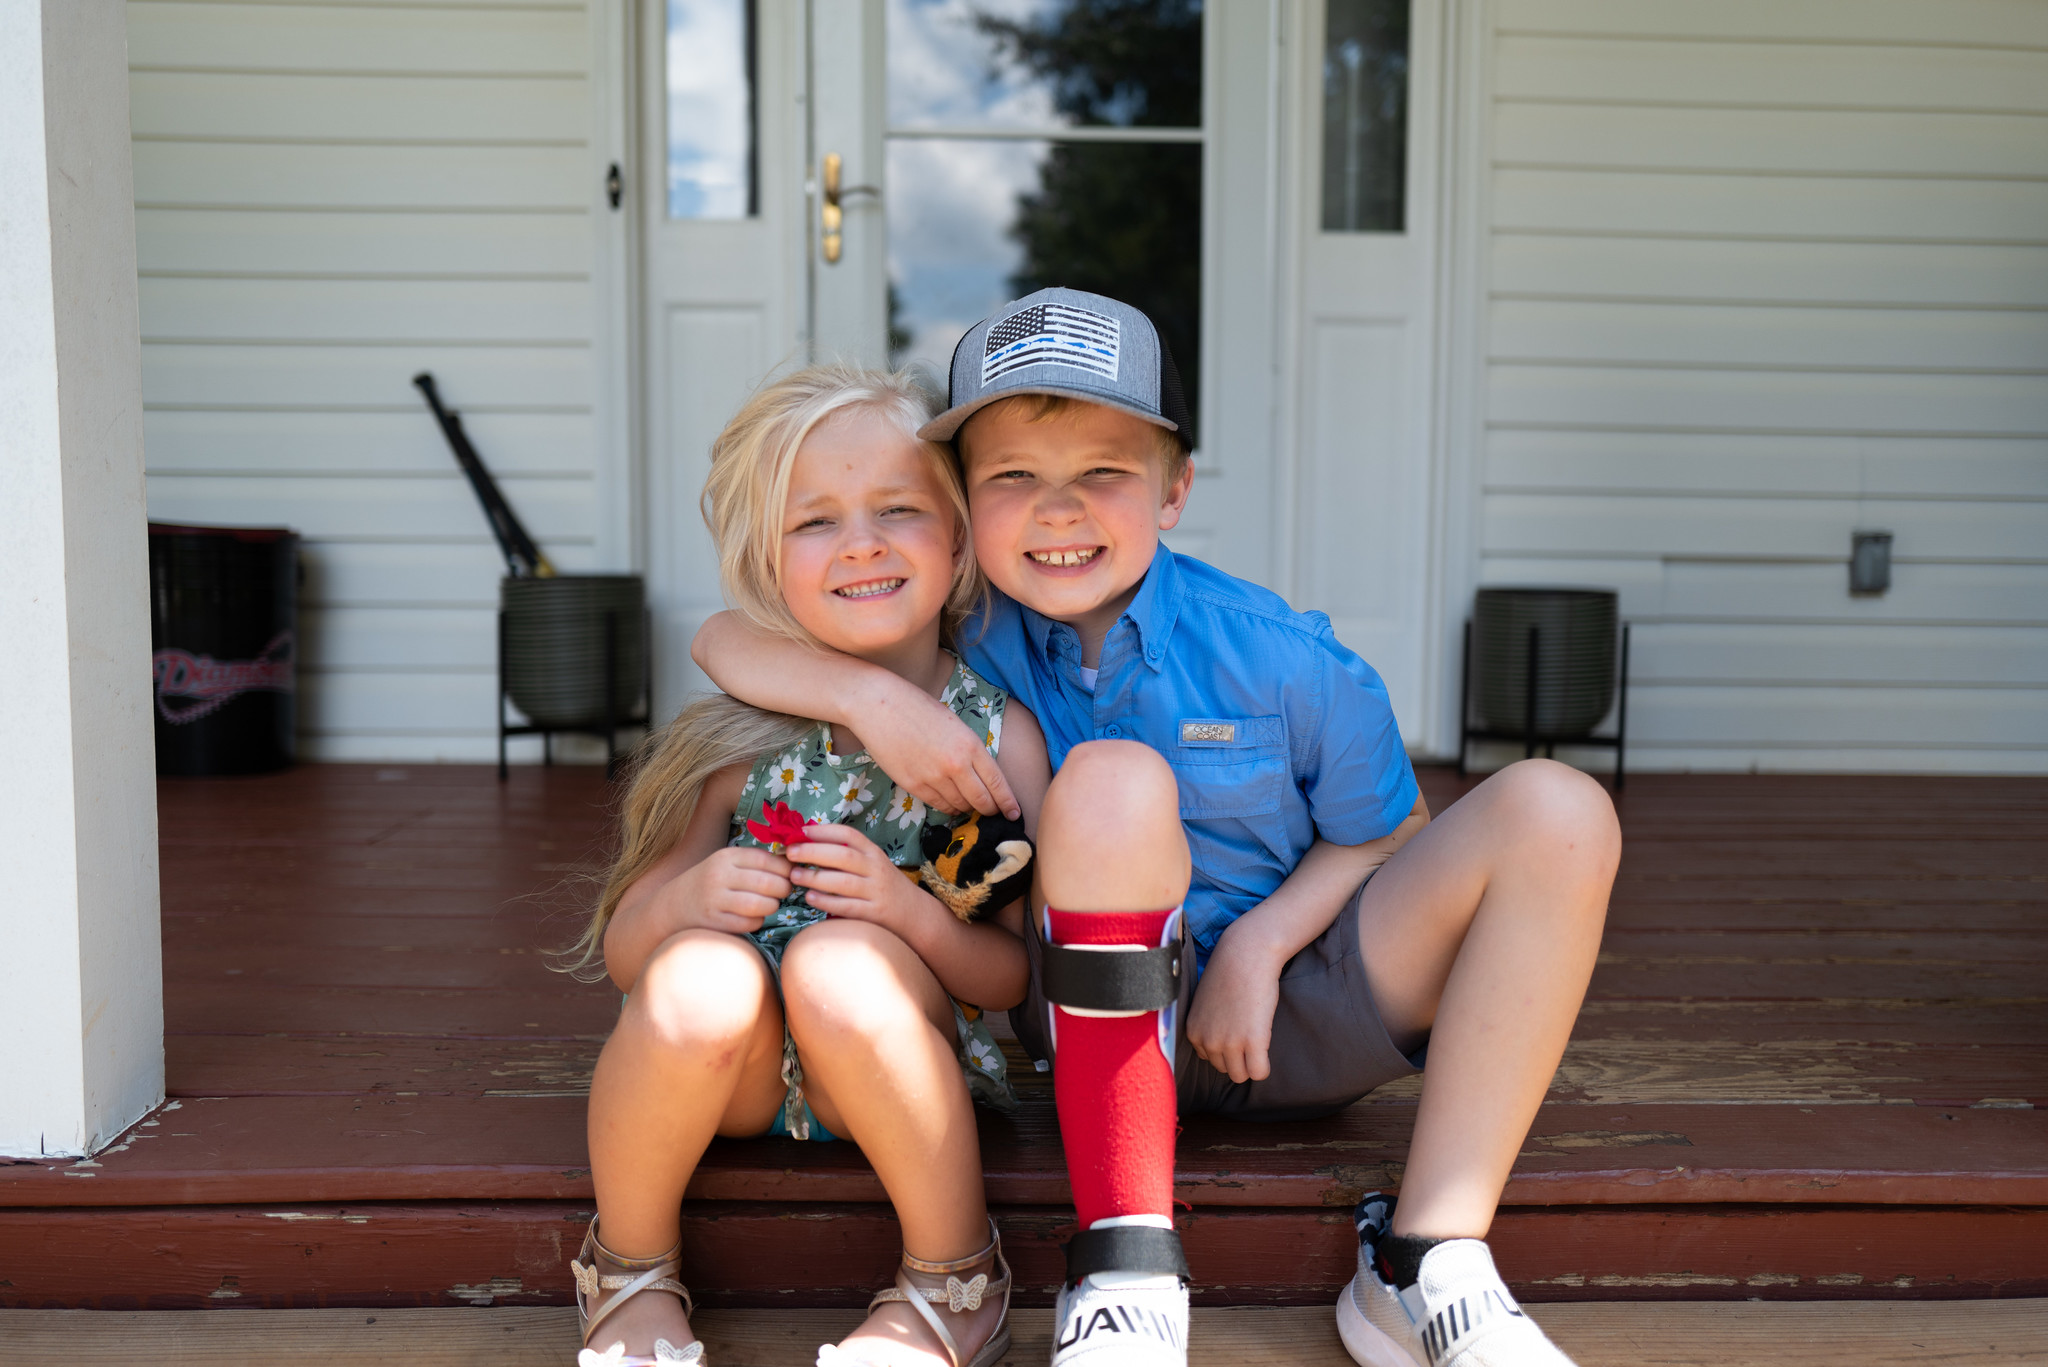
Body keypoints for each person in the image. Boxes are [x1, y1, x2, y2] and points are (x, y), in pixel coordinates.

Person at [693, 289, 1621, 1367]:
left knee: (1558, 806)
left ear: (1173, 488)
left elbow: (1389, 827)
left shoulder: (1280, 656)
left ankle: (1426, 1253)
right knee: (1110, 779)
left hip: (1291, 1017)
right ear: (961, 508)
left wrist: (1261, 946)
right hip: (1087, 1025)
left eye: (1102, 472)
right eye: (1012, 477)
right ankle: (1126, 1258)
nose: (1057, 512)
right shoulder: (959, 628)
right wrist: (871, 699)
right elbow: (724, 637)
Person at [564, 363, 1051, 1367]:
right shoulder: (736, 736)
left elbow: (1014, 975)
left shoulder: (995, 741)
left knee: (838, 963)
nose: (861, 542)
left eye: (898, 508)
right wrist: (691, 898)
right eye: (815, 521)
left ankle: (954, 1279)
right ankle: (630, 1273)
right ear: (765, 560)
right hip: (734, 1074)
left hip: (894, 1059)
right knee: (694, 975)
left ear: (959, 538)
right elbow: (624, 952)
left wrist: (908, 916)